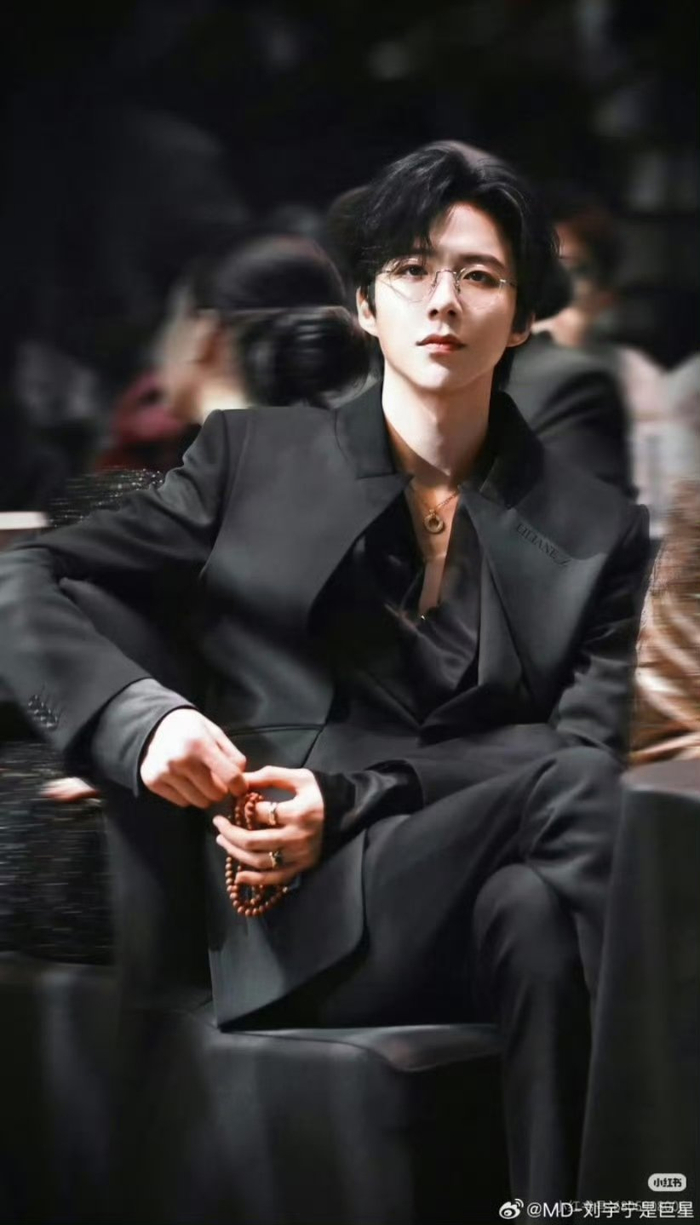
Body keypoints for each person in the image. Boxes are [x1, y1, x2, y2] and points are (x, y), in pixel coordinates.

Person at [0, 143, 649, 1204]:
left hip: (475, 878)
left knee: (540, 910)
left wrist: (353, 794)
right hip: (290, 904)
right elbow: (26, 577)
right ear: (363, 304)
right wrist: (139, 719)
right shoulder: (249, 459)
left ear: (524, 318)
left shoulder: (597, 529)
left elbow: (579, 746)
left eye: (480, 276)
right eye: (411, 270)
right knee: (593, 801)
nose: (443, 301)